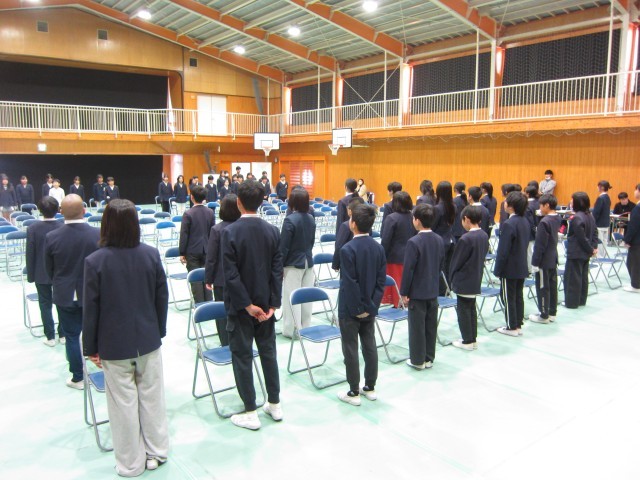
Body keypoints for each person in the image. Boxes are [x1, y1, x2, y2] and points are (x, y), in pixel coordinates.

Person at [83, 199, 169, 476]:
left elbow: (91, 309)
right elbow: (162, 297)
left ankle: (131, 464)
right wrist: (158, 331)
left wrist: (91, 347)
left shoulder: (95, 261)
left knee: (123, 405)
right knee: (152, 397)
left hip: (114, 344)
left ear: (106, 225)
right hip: (148, 338)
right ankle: (156, 451)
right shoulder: (151, 255)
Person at [222, 180, 283, 430]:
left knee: (243, 356)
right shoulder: (273, 231)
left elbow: (231, 275)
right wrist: (273, 305)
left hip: (241, 308)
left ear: (238, 202)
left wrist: (247, 305)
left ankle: (250, 411)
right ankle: (275, 404)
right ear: (262, 201)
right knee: (268, 353)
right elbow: (277, 271)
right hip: (266, 307)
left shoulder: (230, 232)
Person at [44, 194, 100, 389]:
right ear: (84, 210)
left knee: (72, 336)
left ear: (61, 212)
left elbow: (49, 269)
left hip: (65, 293)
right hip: (93, 293)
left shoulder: (52, 237)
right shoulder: (97, 234)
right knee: (97, 333)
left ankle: (78, 377)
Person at [337, 203, 386, 406]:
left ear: (353, 224)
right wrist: (371, 307)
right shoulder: (378, 248)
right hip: (370, 307)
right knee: (369, 345)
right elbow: (381, 282)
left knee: (350, 348)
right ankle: (370, 387)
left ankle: (353, 391)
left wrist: (358, 309)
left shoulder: (347, 249)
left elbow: (350, 283)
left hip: (350, 309)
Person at [400, 204, 444, 369]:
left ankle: (417, 360)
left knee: (417, 327)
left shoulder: (414, 242)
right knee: (431, 325)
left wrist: (404, 292)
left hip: (417, 291)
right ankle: (429, 358)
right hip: (432, 289)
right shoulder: (439, 239)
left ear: (417, 221)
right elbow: (441, 264)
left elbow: (409, 270)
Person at [449, 206, 489, 350]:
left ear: (466, 219)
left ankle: (467, 341)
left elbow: (457, 261)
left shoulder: (466, 239)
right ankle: (472, 339)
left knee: (463, 310)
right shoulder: (484, 235)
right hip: (476, 277)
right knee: (471, 308)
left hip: (464, 279)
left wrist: (451, 276)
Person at [26, 196, 64, 347]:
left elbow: (30, 254)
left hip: (41, 272)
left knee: (45, 304)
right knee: (62, 303)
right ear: (57, 210)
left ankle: (50, 337)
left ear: (40, 210)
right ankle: (63, 334)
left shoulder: (33, 228)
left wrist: (31, 275)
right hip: (61, 272)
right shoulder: (63, 226)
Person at [204, 195, 241, 346]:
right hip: (240, 277)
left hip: (221, 278)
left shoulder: (217, 229)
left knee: (222, 312)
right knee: (240, 309)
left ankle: (225, 343)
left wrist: (208, 278)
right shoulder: (242, 227)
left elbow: (211, 257)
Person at [279, 187, 316, 338]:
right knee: (306, 297)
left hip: (293, 264)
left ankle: (292, 330)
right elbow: (312, 242)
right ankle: (306, 327)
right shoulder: (311, 218)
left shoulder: (290, 220)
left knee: (291, 297)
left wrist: (280, 266)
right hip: (308, 261)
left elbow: (284, 247)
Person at [493, 191, 530, 337]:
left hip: (510, 267)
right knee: (518, 296)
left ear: (511, 206)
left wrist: (497, 270)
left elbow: (503, 250)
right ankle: (518, 324)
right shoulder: (525, 221)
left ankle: (511, 326)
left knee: (508, 297)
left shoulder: (509, 224)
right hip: (521, 265)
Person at [528, 194, 561, 324]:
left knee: (543, 287)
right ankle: (552, 312)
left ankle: (543, 315)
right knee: (552, 286)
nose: (539, 208)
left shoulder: (544, 222)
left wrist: (535, 262)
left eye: (541, 206)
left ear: (547, 205)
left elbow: (540, 245)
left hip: (544, 260)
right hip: (553, 257)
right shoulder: (557, 218)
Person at [179, 185, 214, 305]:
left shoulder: (188, 213)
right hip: (207, 248)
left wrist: (182, 252)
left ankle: (199, 305)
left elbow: (184, 234)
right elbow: (212, 232)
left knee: (195, 279)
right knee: (207, 277)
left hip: (192, 250)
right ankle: (209, 303)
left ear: (192, 197)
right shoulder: (210, 212)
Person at [380, 191, 415, 308]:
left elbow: (386, 240)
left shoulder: (392, 218)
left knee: (396, 280)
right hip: (411, 253)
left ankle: (398, 303)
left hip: (394, 255)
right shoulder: (413, 216)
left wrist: (382, 256)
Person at [564, 192, 598, 308]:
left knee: (573, 279)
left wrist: (591, 249)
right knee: (583, 277)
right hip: (585, 253)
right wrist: (593, 248)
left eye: (572, 200)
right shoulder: (590, 215)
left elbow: (581, 238)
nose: (571, 202)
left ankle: (572, 303)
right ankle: (581, 300)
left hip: (576, 252)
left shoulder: (577, 217)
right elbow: (595, 233)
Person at [432, 181, 455, 296]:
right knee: (447, 267)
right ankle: (447, 289)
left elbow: (432, 226)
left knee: (439, 268)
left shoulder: (437, 208)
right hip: (450, 240)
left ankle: (441, 292)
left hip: (439, 241)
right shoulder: (453, 206)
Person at [332, 196, 365, 271]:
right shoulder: (366, 223)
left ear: (350, 211)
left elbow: (339, 246)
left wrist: (335, 265)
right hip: (362, 260)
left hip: (348, 262)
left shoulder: (346, 225)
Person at [623, 184, 640, 293]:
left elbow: (633, 226)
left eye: (636, 190)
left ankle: (636, 286)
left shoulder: (638, 208)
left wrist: (627, 239)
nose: (635, 192)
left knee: (633, 263)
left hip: (637, 240)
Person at [593, 180, 612, 257]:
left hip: (599, 223)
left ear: (602, 187)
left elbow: (596, 212)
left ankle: (599, 256)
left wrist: (593, 221)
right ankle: (603, 255)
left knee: (599, 240)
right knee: (604, 241)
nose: (597, 187)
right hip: (606, 223)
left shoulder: (600, 198)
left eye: (598, 186)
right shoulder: (607, 197)